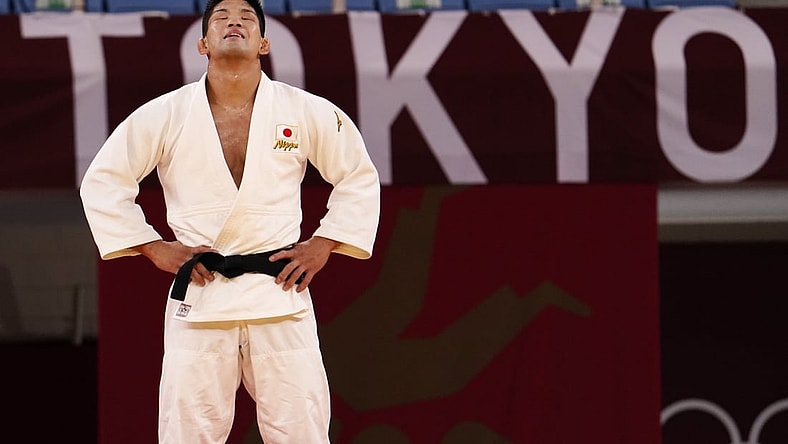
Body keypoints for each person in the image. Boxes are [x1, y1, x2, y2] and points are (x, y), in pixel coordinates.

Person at [79, 0, 381, 441]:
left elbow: (357, 175)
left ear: (263, 42)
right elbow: (103, 181)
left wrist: (327, 241)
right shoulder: (165, 114)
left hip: (279, 296)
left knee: (302, 433)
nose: (234, 21)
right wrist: (152, 246)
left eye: (246, 17)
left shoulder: (304, 110)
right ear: (203, 43)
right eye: (221, 17)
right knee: (187, 434)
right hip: (201, 297)